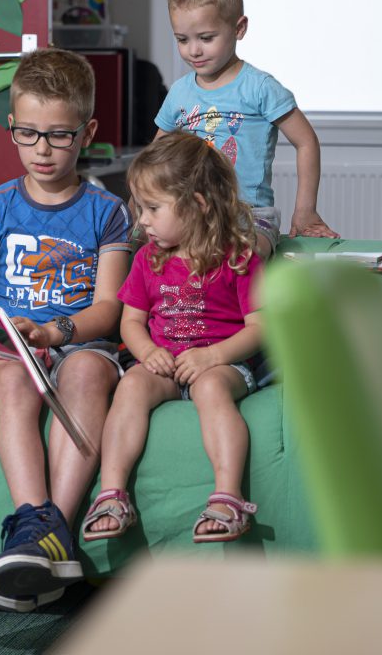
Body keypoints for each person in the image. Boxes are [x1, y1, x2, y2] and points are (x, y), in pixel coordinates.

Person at [0, 48, 131, 613]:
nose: (42, 149)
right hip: (9, 348)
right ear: (11, 127)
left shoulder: (108, 211)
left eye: (59, 136)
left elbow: (109, 307)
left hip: (76, 341)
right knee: (10, 381)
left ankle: (41, 540)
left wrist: (59, 332)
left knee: (86, 370)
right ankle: (41, 529)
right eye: (28, 134)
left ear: (88, 133)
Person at [81, 132, 265, 545]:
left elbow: (260, 327)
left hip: (222, 363)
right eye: (139, 207)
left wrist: (212, 356)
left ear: (197, 205)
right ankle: (111, 493)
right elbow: (131, 322)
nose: (141, 220)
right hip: (165, 364)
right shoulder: (148, 258)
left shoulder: (237, 256)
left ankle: (227, 497)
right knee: (130, 385)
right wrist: (147, 352)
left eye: (152, 208)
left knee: (213, 387)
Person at [156, 0, 339, 258]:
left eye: (206, 38)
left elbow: (306, 142)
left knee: (243, 258)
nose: (194, 50)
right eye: (182, 40)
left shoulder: (260, 87)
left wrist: (305, 211)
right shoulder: (179, 93)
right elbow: (157, 155)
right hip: (188, 211)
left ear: (239, 28)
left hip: (248, 213)